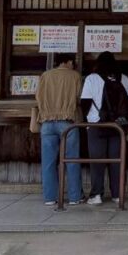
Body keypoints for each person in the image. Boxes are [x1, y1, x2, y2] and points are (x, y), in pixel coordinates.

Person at [80, 51, 128, 205]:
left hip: (96, 124)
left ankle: (96, 195)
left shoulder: (91, 79)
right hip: (118, 126)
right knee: (117, 160)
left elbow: (85, 103)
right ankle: (117, 194)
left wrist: (87, 122)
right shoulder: (124, 78)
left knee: (97, 160)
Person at [34, 53, 83, 206]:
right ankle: (75, 197)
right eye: (72, 63)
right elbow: (79, 98)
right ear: (68, 62)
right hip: (67, 122)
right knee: (72, 160)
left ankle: (50, 197)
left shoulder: (45, 75)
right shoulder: (74, 76)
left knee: (48, 162)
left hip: (47, 122)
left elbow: (38, 97)